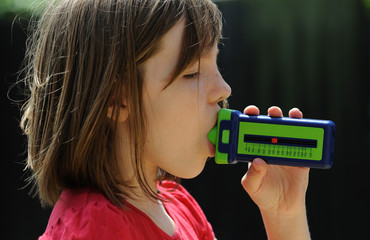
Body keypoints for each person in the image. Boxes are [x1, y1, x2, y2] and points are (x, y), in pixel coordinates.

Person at [20, 0, 310, 239]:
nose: (224, 89)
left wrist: (285, 216)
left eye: (216, 63)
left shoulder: (179, 206)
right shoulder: (94, 229)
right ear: (118, 99)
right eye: (191, 73)